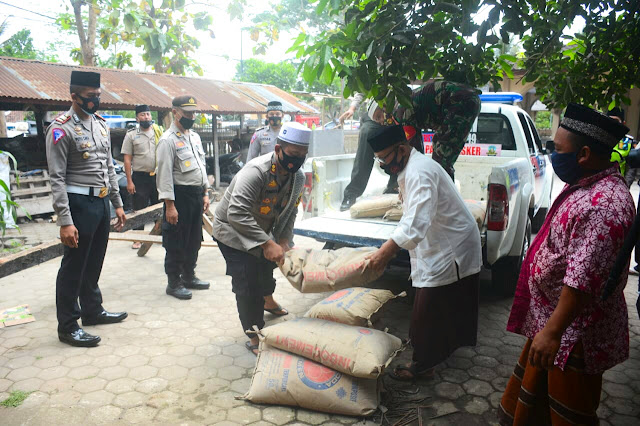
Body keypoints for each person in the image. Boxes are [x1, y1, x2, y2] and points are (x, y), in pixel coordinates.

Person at [498, 103, 633, 425]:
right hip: (555, 326)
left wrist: (553, 332)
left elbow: (582, 280)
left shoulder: (604, 206)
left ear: (584, 154)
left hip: (573, 335)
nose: (554, 155)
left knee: (567, 413)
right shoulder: (589, 186)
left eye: (558, 149)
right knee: (534, 403)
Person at [365, 125, 482, 380]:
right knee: (434, 301)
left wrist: (385, 252)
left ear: (402, 148)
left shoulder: (420, 171)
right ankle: (436, 351)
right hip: (441, 241)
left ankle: (422, 365)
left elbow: (415, 221)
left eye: (386, 158)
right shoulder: (411, 168)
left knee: (429, 304)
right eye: (379, 159)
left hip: (452, 244)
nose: (384, 164)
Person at [212, 122, 310, 355]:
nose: (296, 160)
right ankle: (255, 335)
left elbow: (291, 210)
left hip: (263, 229)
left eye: (302, 156)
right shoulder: (255, 172)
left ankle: (268, 301)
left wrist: (284, 240)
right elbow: (236, 213)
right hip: (232, 230)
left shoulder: (297, 177)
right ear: (278, 149)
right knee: (248, 282)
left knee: (267, 266)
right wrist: (267, 243)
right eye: (292, 154)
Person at [46, 70, 127, 347]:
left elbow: (108, 167)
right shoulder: (61, 128)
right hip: (78, 203)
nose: (96, 100)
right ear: (74, 96)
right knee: (74, 266)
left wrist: (117, 203)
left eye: (98, 95)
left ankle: (92, 311)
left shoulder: (100, 124)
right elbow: (56, 178)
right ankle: (68, 326)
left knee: (94, 262)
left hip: (101, 202)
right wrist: (65, 221)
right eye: (91, 96)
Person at [367, 80, 481, 181]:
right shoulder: (402, 103)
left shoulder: (400, 112)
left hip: (460, 102)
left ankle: (443, 198)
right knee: (440, 155)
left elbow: (414, 153)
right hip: (464, 99)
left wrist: (407, 183)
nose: (382, 122)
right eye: (378, 121)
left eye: (379, 117)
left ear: (385, 106)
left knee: (441, 157)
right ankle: (443, 196)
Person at [156, 95, 211, 300]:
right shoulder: (167, 141)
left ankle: (189, 275)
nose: (191, 116)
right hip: (179, 197)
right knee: (176, 240)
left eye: (193, 112)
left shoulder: (194, 137)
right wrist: (170, 205)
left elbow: (202, 167)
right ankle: (174, 282)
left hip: (196, 195)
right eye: (187, 112)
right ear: (175, 112)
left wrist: (205, 193)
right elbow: (164, 175)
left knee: (194, 238)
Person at [339, 94, 399, 212]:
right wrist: (352, 108)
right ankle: (351, 193)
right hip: (373, 114)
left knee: (401, 137)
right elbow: (361, 91)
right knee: (367, 133)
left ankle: (394, 186)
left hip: (392, 113)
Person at [121, 104, 163, 249]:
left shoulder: (159, 132)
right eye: (143, 115)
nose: (146, 117)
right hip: (139, 177)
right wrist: (129, 181)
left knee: (160, 205)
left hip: (157, 176)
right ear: (137, 118)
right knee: (139, 207)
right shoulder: (131, 135)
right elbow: (127, 159)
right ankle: (137, 238)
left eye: (148, 114)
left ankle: (160, 235)